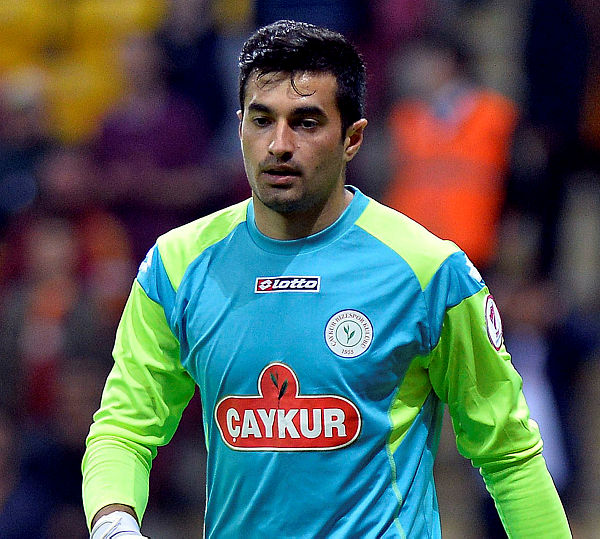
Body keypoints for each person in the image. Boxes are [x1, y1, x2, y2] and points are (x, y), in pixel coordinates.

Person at [82, 20, 571, 538]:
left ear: (352, 138)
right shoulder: (177, 266)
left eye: (307, 123)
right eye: (262, 120)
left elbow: (509, 455)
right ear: (240, 127)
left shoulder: (428, 271)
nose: (279, 144)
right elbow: (124, 428)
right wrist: (114, 523)